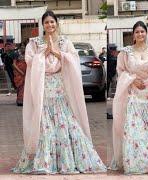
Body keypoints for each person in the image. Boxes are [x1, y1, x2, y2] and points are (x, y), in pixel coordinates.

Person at [12, 10, 106, 174]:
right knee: (44, 122)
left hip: (60, 86)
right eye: (46, 22)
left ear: (56, 23)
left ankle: (68, 160)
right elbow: (29, 61)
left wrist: (56, 52)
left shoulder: (65, 42)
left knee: (66, 120)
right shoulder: (34, 43)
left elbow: (74, 59)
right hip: (42, 86)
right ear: (42, 25)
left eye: (52, 22)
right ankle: (45, 161)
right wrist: (44, 53)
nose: (50, 25)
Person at [110, 21, 148, 175]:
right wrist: (132, 80)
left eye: (142, 32)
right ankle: (137, 162)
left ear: (146, 33)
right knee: (134, 128)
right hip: (133, 94)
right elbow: (121, 71)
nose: (140, 34)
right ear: (133, 35)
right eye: (137, 32)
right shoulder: (126, 52)